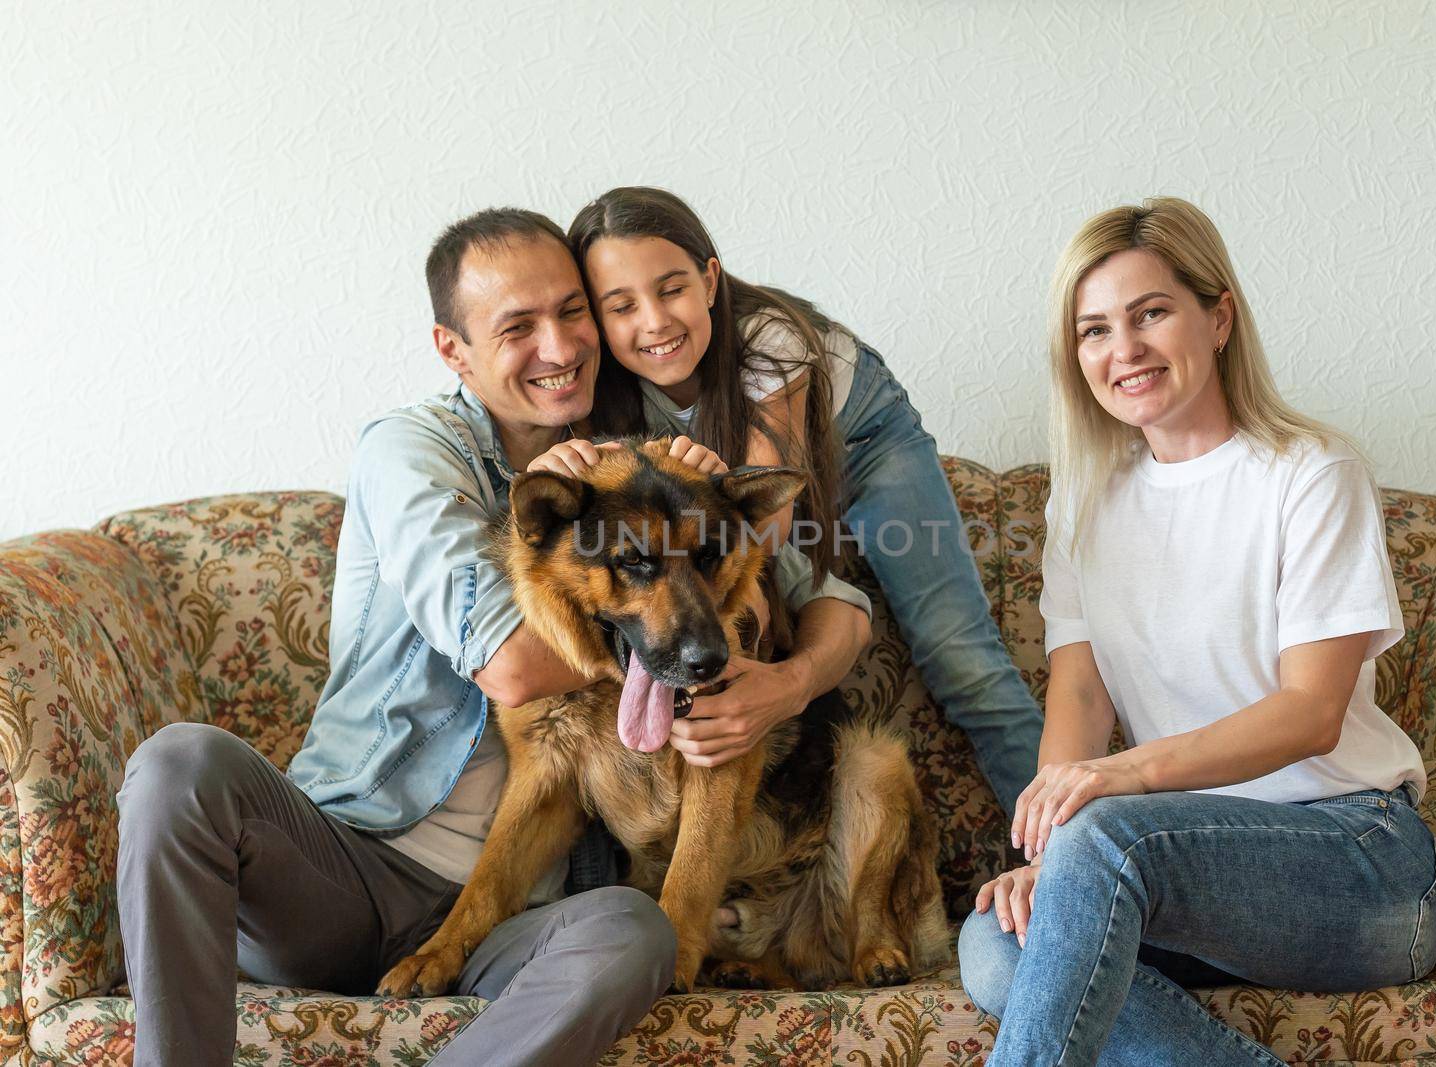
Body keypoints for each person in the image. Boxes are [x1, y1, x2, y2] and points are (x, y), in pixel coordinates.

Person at [115, 208, 874, 1067]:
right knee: (180, 764)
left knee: (638, 929)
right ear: (454, 349)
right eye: (518, 327)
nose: (557, 347)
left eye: (572, 312)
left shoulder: (646, 469)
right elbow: (512, 664)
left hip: (521, 915)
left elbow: (831, 593)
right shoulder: (411, 452)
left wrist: (787, 676)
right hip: (347, 862)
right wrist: (697, 629)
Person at [956, 197, 1436, 1067]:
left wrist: (1112, 788)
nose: (1125, 350)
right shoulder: (1085, 499)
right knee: (996, 941)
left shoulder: (1311, 473)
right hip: (1173, 864)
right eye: (1095, 329)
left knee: (1107, 835)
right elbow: (1080, 689)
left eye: (1151, 313)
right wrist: (1050, 859)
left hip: (1359, 858)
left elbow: (1311, 713)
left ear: (1218, 316)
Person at [548, 186, 1042, 806]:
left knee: (961, 658)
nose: (654, 321)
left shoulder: (768, 336)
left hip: (862, 446)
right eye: (620, 305)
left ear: (709, 279)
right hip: (761, 472)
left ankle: (1061, 849)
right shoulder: (600, 389)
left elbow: (767, 524)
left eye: (671, 289)